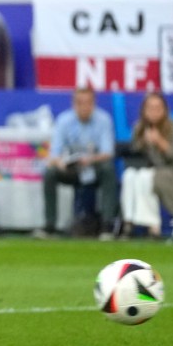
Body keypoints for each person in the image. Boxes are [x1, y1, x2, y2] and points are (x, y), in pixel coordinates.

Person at [35, 88, 117, 240]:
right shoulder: (64, 120)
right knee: (50, 172)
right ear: (73, 104)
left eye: (88, 103)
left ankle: (107, 225)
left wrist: (90, 159)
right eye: (80, 103)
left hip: (94, 167)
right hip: (72, 169)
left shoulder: (103, 120)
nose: (84, 107)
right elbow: (55, 153)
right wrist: (60, 162)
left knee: (108, 170)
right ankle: (50, 225)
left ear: (94, 104)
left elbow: (108, 152)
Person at [120, 92, 173, 238]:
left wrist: (160, 142)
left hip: (171, 173)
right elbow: (133, 152)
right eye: (150, 107)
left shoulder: (172, 126)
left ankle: (153, 225)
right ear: (144, 110)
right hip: (145, 171)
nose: (154, 111)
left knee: (146, 177)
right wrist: (143, 142)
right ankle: (128, 222)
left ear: (164, 109)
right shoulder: (139, 127)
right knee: (129, 175)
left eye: (158, 107)